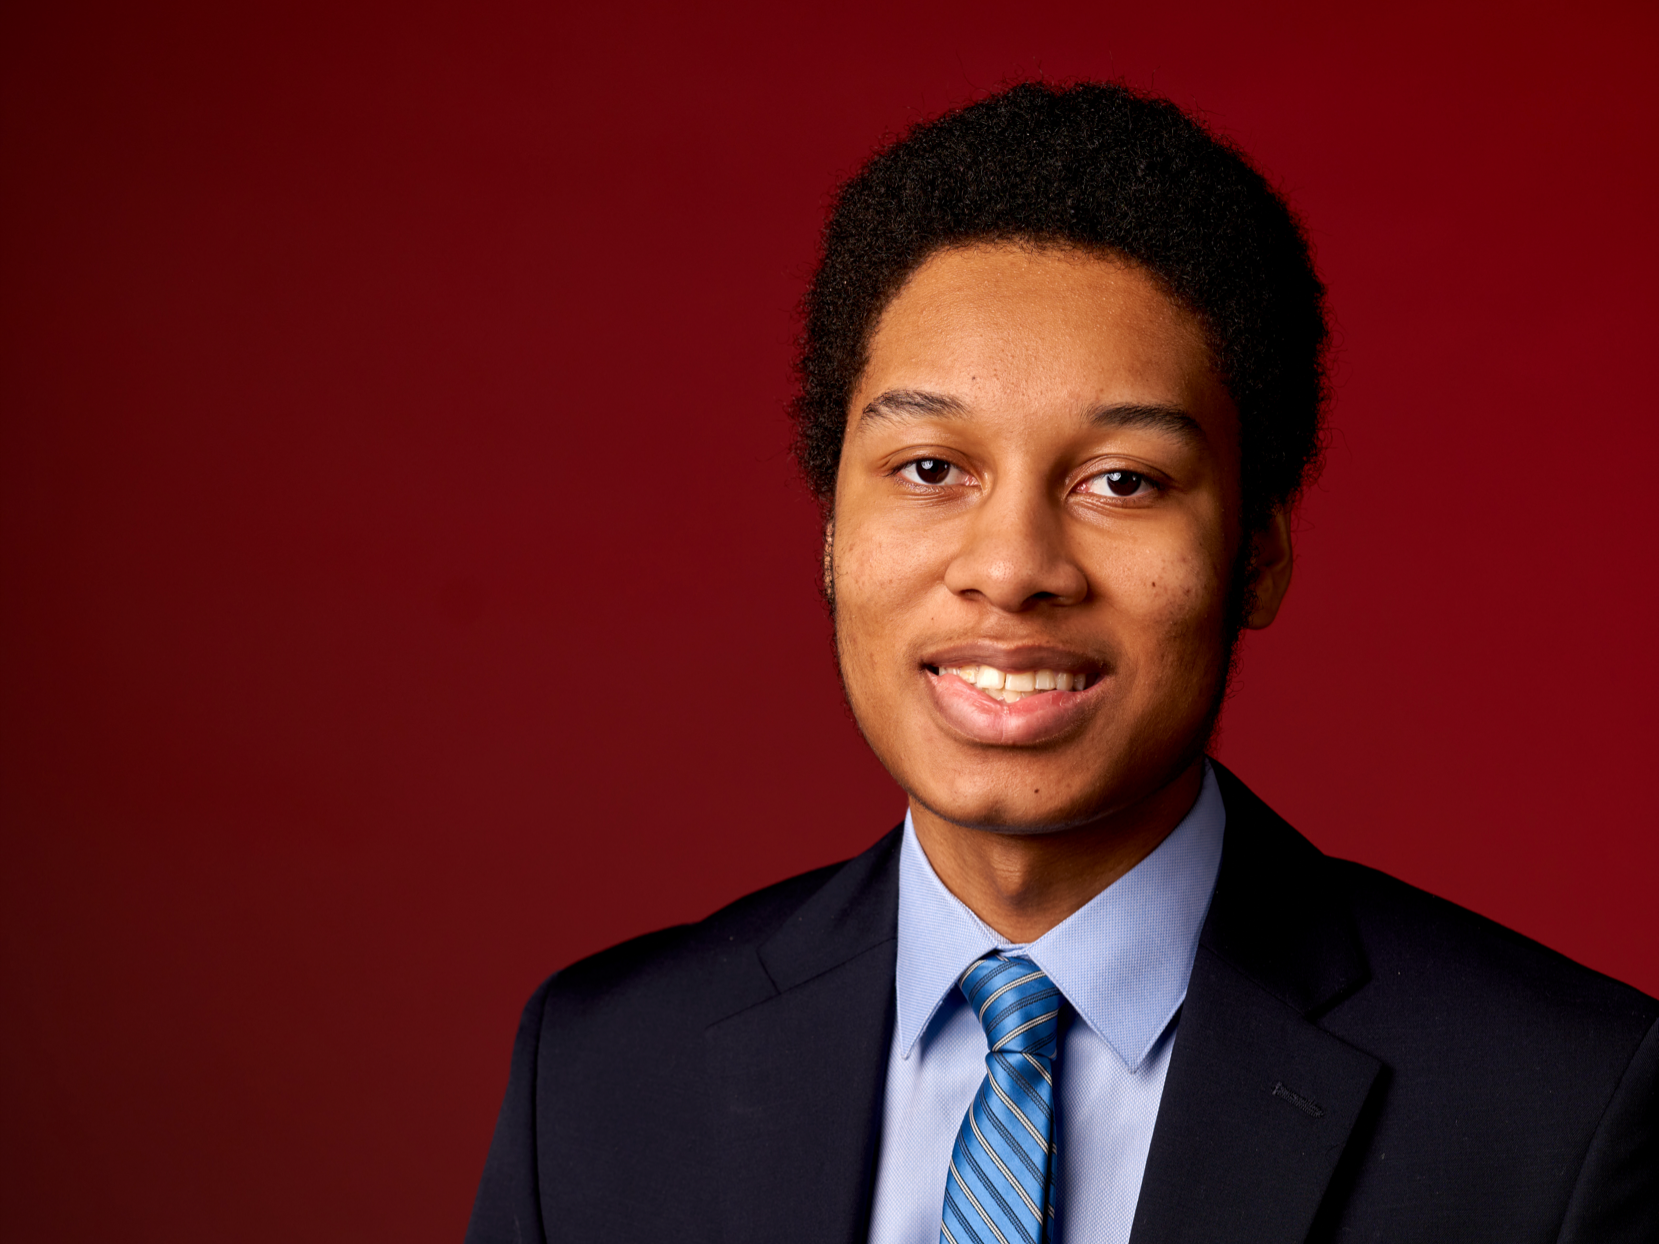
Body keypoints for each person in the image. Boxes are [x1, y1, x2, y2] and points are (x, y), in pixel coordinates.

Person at [464, 81, 1656, 1244]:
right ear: (830, 530)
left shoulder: (1561, 1110)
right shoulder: (597, 1075)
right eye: (932, 468)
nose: (1013, 565)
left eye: (1121, 481)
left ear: (1258, 553)